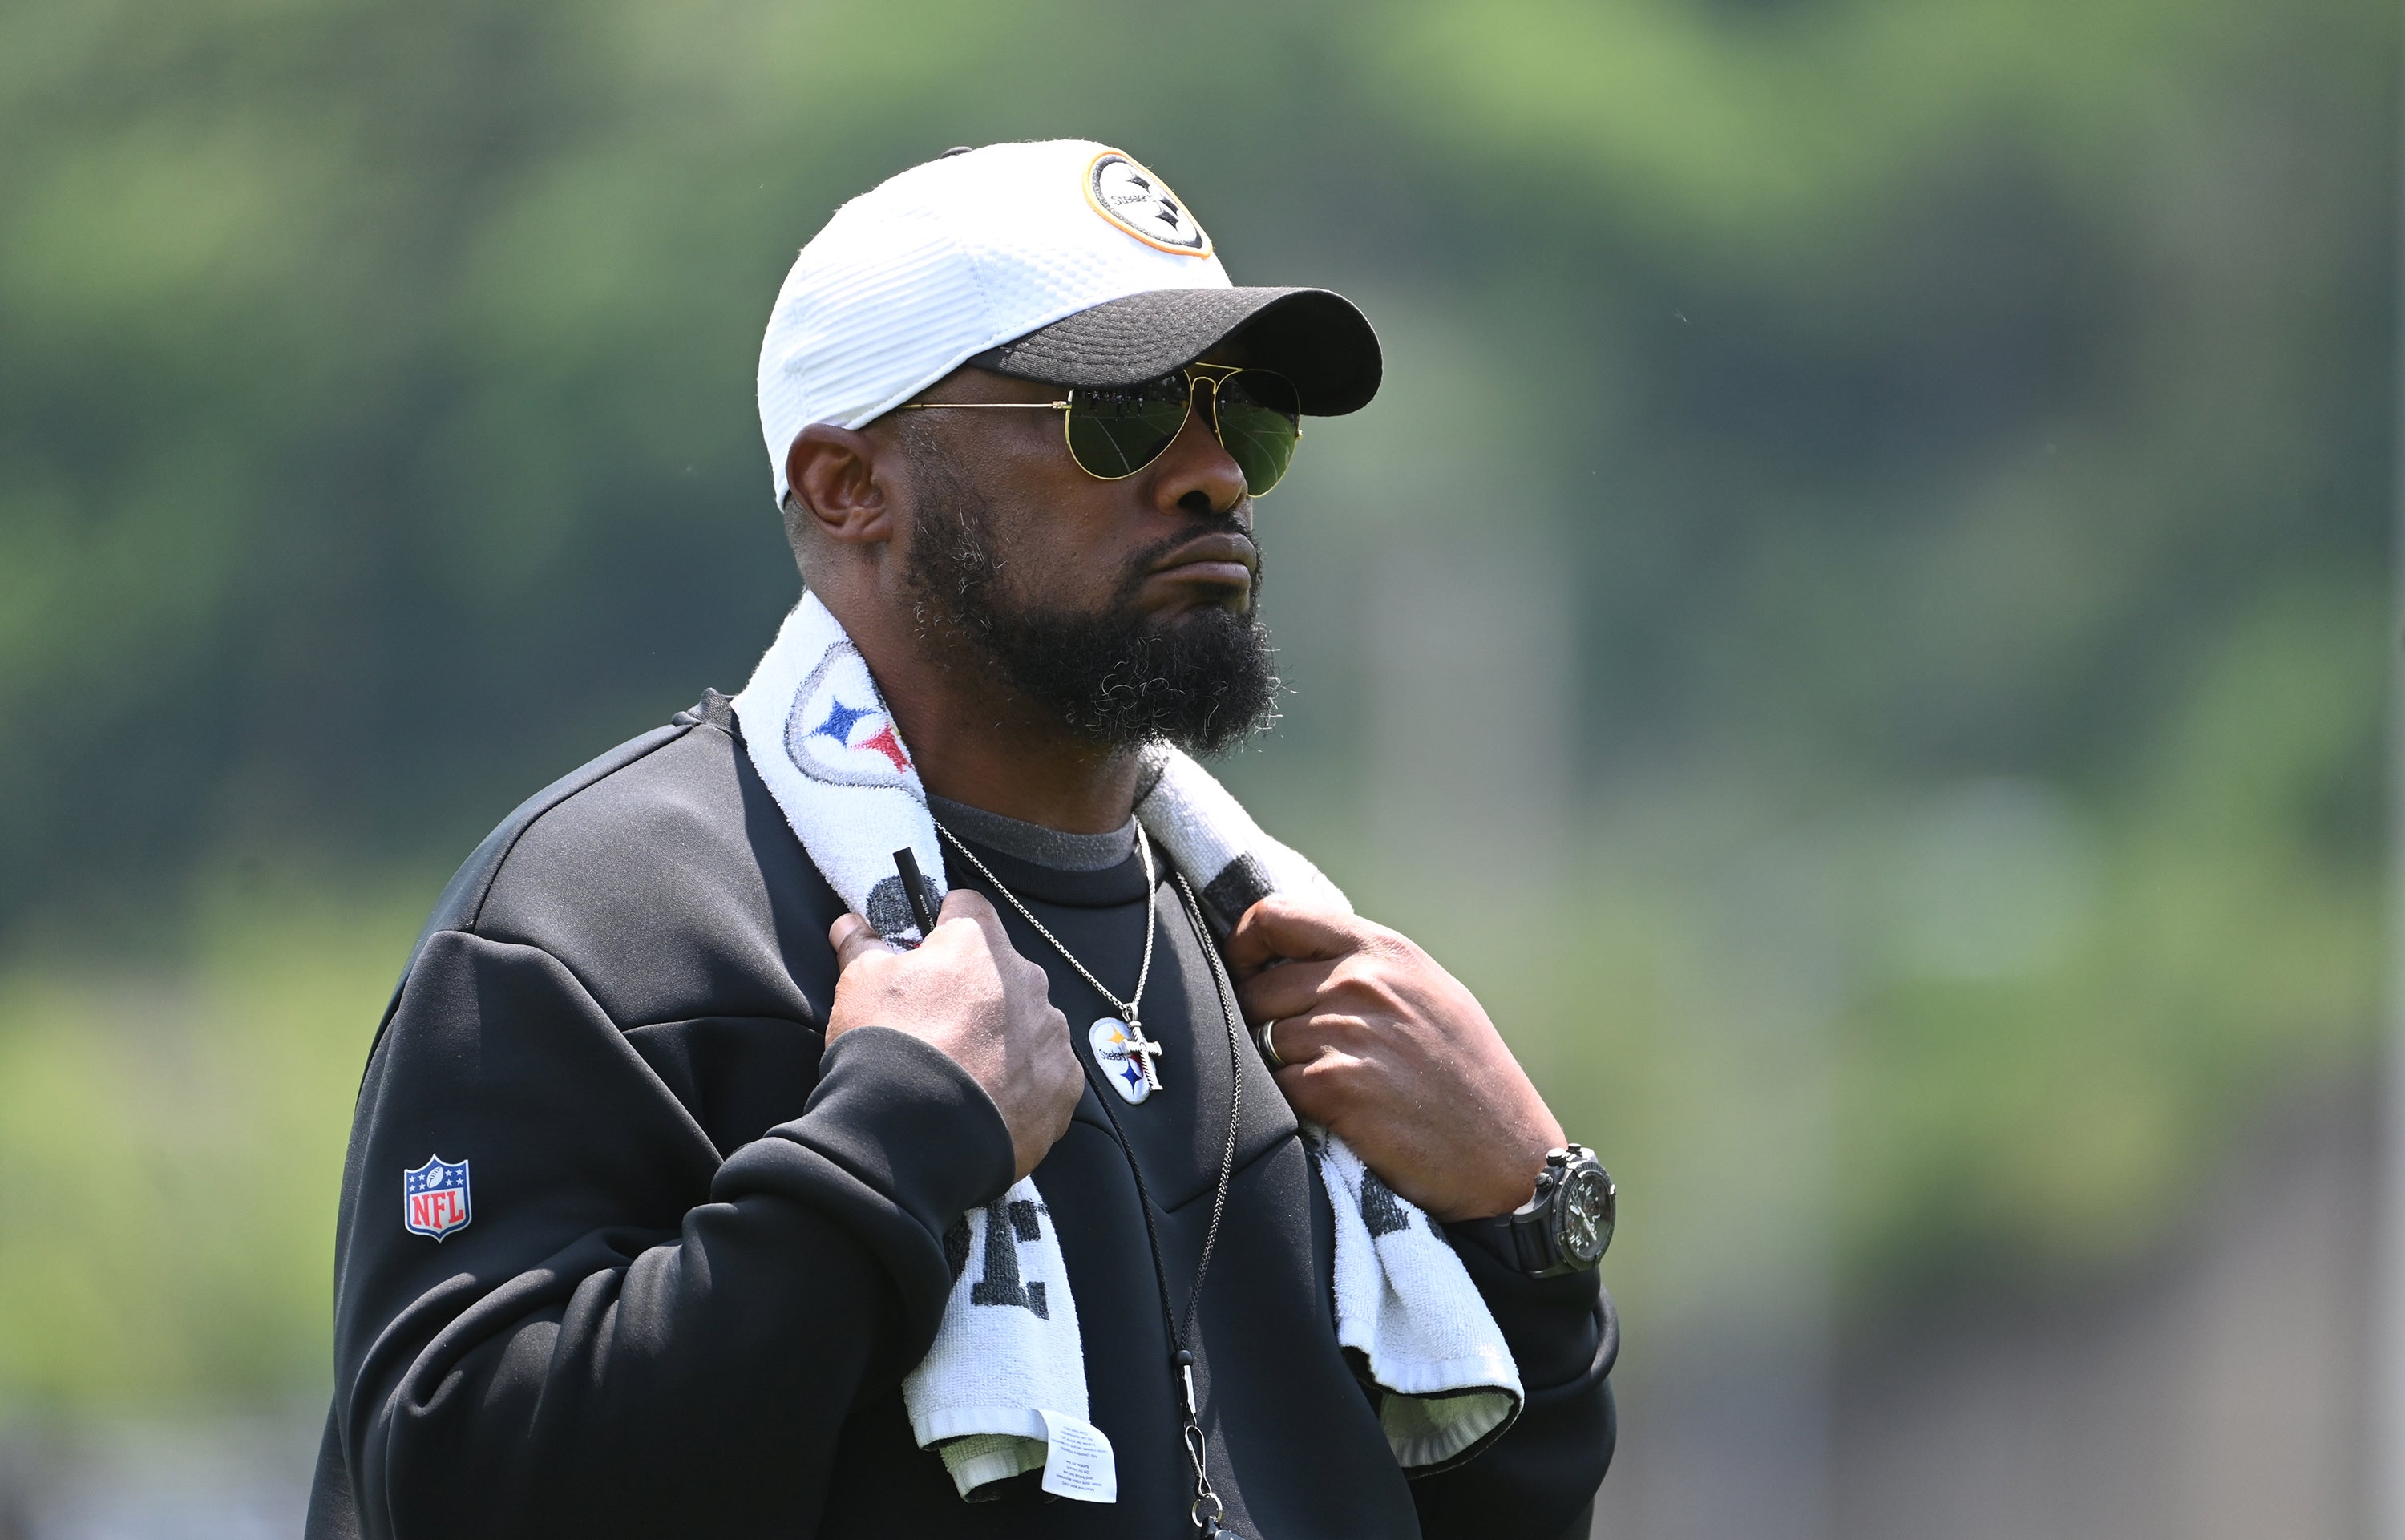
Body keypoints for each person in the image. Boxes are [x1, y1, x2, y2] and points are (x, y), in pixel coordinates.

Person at [307, 139, 1616, 1540]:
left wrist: (1530, 1228)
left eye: (1241, 416)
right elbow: (456, 1494)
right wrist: (887, 1150)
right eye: (1116, 414)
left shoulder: (1277, 959)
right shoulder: (611, 919)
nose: (1214, 476)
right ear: (848, 486)